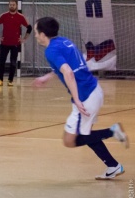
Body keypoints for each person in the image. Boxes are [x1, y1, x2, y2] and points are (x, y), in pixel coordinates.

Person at [32, 16, 129, 180]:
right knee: (86, 134)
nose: (35, 35)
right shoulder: (64, 41)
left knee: (69, 140)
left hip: (85, 97)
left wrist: (77, 99)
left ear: (42, 34)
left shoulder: (51, 50)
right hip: (94, 89)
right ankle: (113, 166)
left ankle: (113, 131)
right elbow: (68, 66)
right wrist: (47, 77)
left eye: (36, 32)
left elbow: (68, 72)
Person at [0, 0, 32, 86]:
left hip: (15, 44)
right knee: (2, 62)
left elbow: (29, 27)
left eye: (13, 5)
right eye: (10, 5)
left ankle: (10, 80)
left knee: (13, 63)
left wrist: (24, 39)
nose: (11, 6)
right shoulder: (4, 15)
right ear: (8, 5)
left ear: (16, 6)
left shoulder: (21, 17)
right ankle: (0, 80)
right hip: (4, 43)